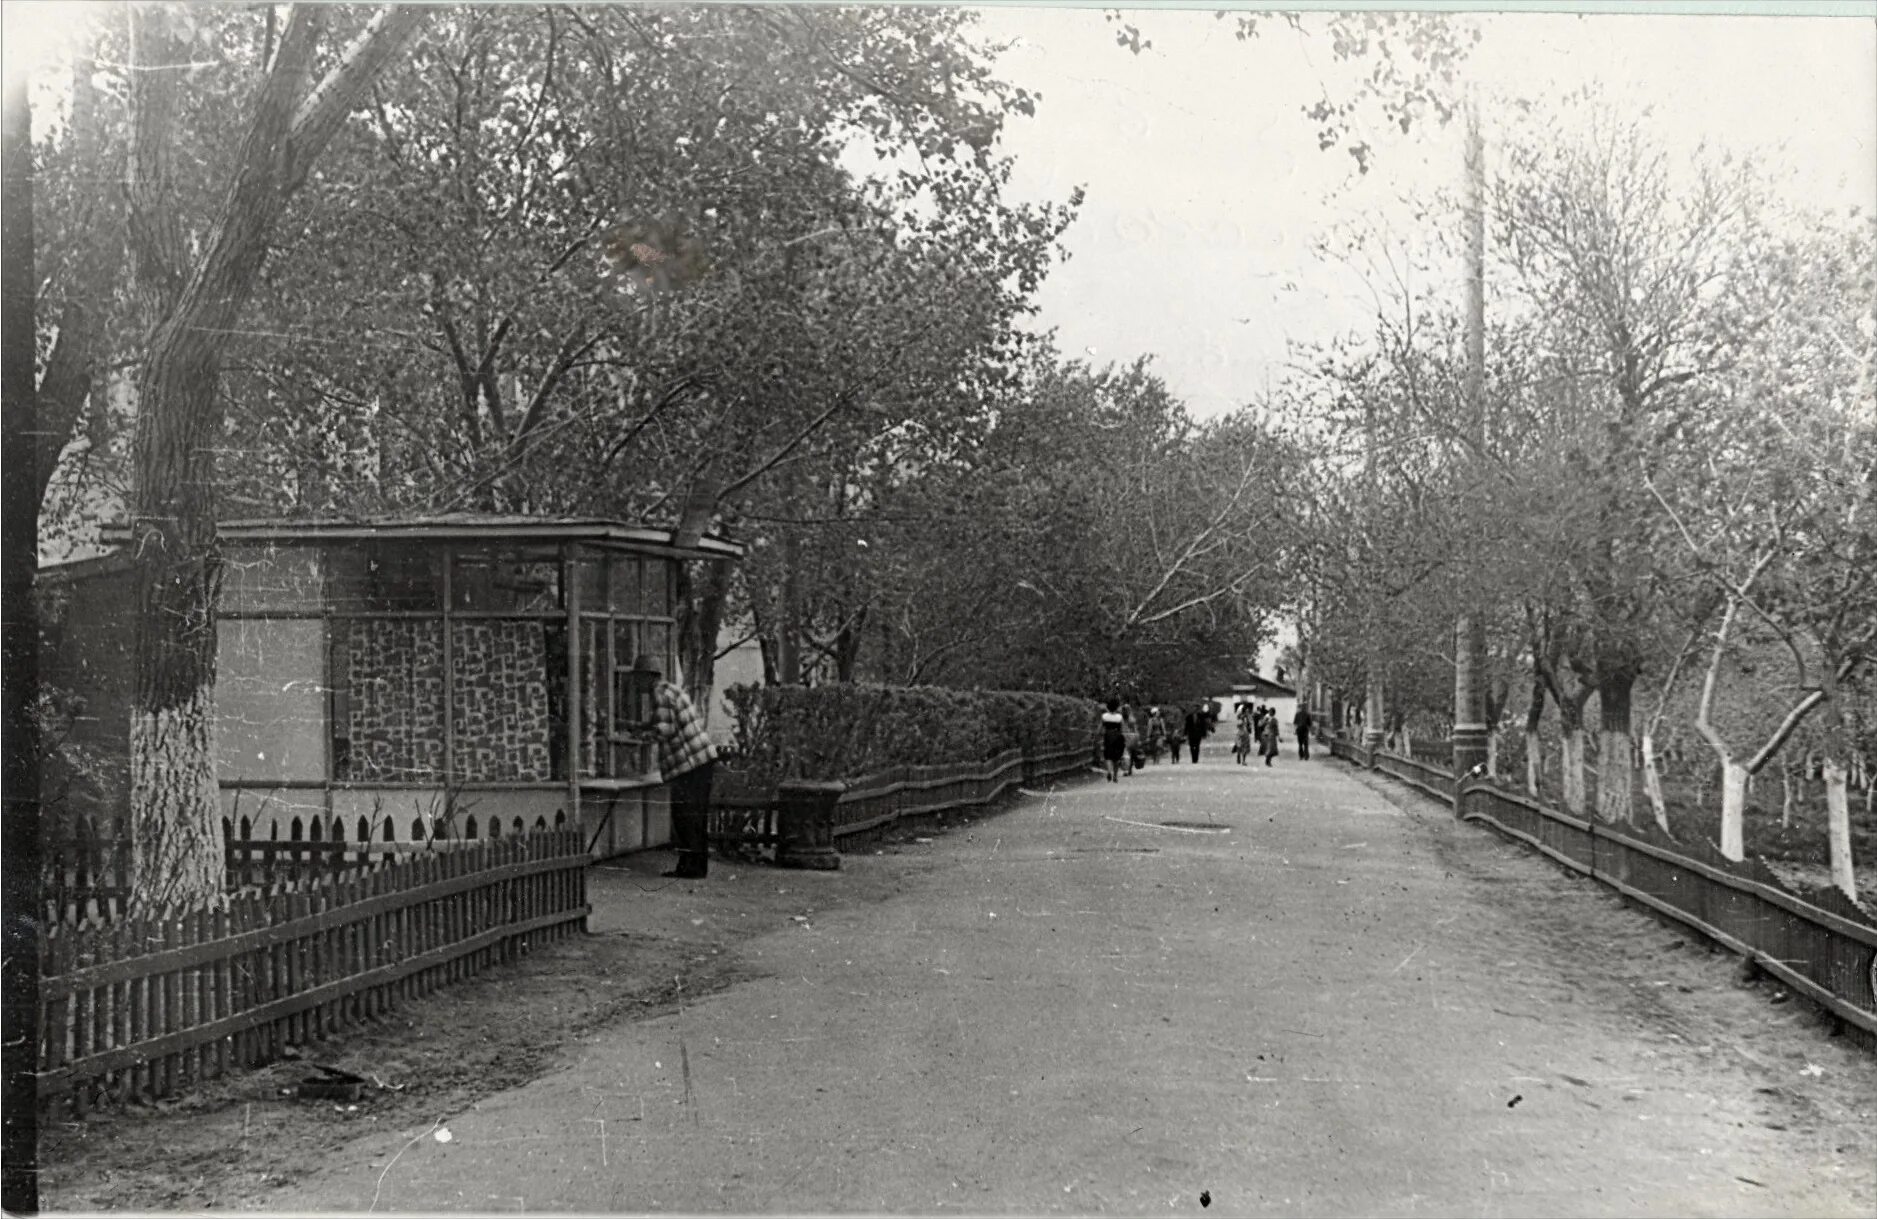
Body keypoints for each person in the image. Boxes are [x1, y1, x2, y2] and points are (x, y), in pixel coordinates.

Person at [633, 653, 718, 879]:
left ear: (646, 677)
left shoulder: (659, 695)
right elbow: (664, 722)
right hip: (702, 760)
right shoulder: (671, 690)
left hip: (688, 765)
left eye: (637, 678)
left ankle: (689, 867)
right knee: (696, 817)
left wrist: (638, 739)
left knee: (685, 816)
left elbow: (663, 731)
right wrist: (639, 726)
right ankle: (697, 866)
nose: (635, 683)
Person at [1099, 697, 1126, 782]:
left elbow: (1100, 728)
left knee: (1108, 756)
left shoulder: (1104, 716)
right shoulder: (1119, 717)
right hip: (1117, 736)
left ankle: (1109, 771)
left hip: (1108, 736)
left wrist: (1099, 734)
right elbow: (1123, 729)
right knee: (1117, 757)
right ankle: (1115, 775)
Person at [1121, 704, 1143, 775]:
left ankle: (1128, 769)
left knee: (1130, 753)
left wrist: (1138, 738)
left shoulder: (1130, 719)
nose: (1125, 711)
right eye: (1124, 709)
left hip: (1130, 737)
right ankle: (1126, 769)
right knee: (1126, 754)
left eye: (1126, 709)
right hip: (1126, 737)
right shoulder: (1122, 719)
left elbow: (1135, 729)